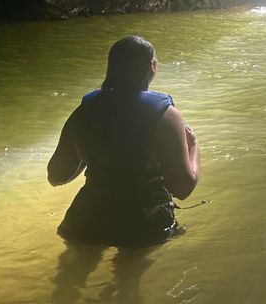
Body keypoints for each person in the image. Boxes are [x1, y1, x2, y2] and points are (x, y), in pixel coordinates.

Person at [48, 35, 200, 247]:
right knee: (129, 277)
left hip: (85, 221)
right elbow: (183, 188)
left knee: (71, 276)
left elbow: (56, 176)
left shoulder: (84, 112)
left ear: (111, 68)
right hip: (142, 222)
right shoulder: (166, 115)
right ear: (152, 66)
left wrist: (89, 152)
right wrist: (193, 146)